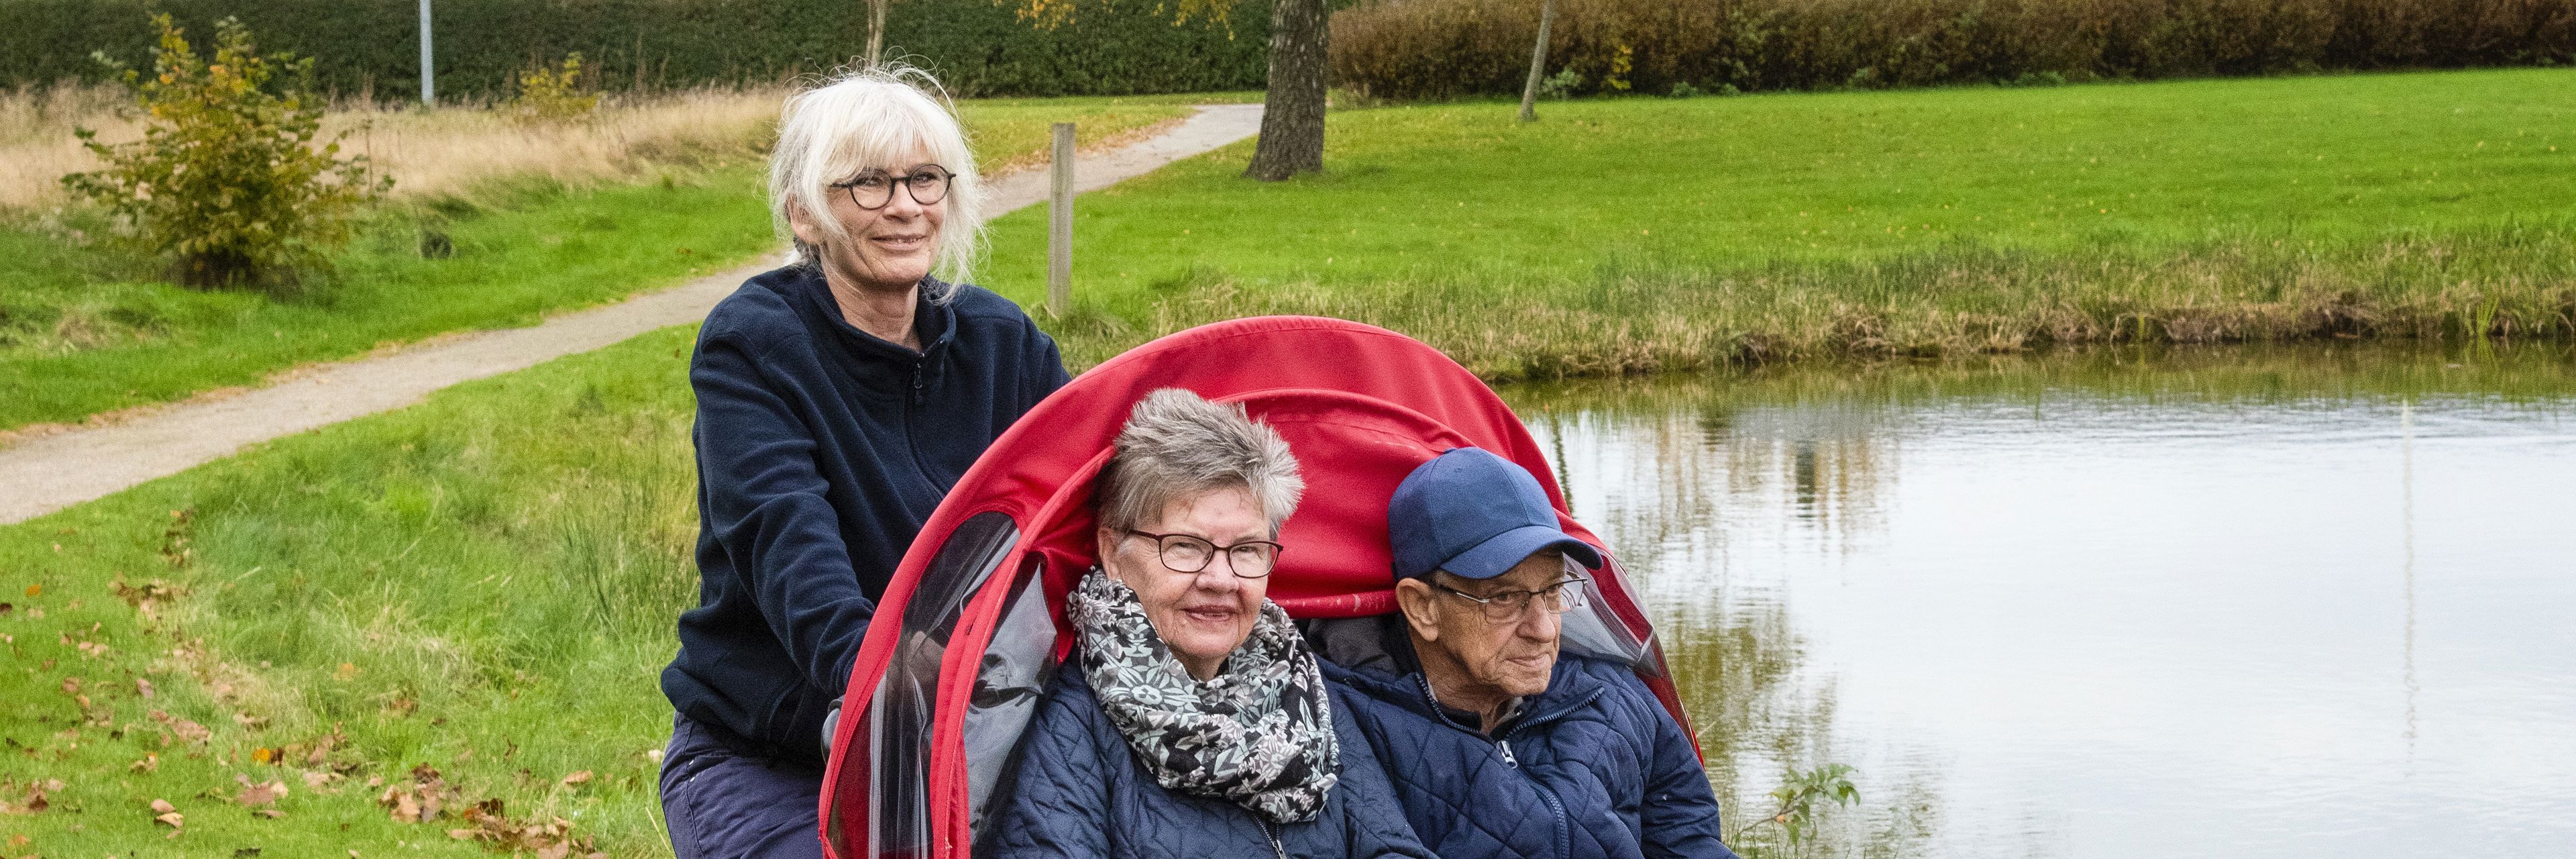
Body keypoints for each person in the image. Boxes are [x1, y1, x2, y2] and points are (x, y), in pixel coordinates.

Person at [656, 66, 1069, 859]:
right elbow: (789, 545)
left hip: (975, 737)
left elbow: (1090, 493)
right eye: (868, 185)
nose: (906, 205)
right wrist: (888, 693)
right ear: (805, 212)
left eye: (923, 179)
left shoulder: (1001, 342)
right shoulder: (755, 345)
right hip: (775, 756)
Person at [988, 389, 1436, 859]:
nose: (1221, 580)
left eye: (1246, 550)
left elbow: (1391, 847)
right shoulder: (1069, 725)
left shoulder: (1299, 685)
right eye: (1185, 546)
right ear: (1112, 552)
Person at [1325, 447, 1741, 859]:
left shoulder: (1615, 695)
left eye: (1554, 590)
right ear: (1423, 608)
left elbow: (1691, 843)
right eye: (1505, 597)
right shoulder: (1345, 727)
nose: (1544, 630)